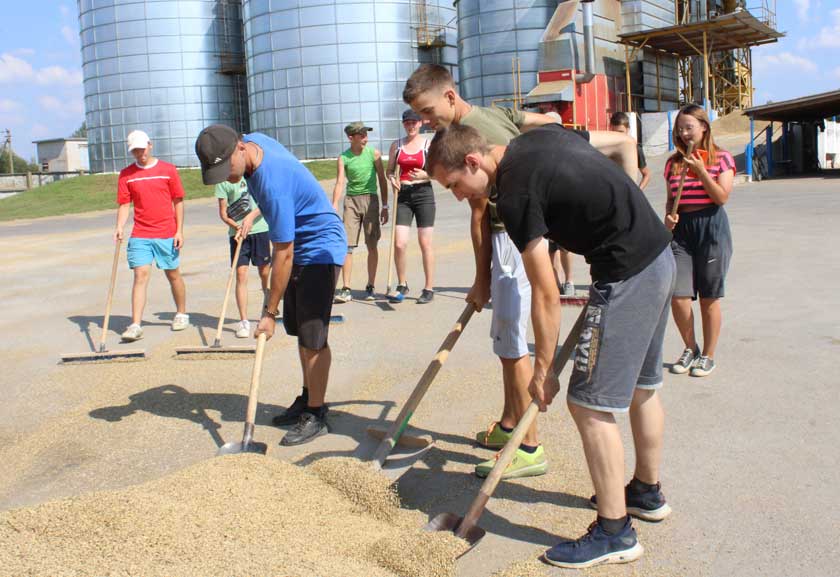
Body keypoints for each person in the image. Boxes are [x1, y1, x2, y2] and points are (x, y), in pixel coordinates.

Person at [426, 123, 675, 569]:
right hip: (658, 255)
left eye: (455, 185)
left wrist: (544, 370)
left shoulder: (514, 195)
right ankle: (644, 492)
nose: (459, 196)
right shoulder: (534, 139)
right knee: (642, 385)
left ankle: (615, 532)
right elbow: (607, 145)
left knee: (588, 404)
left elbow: (545, 293)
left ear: (473, 162)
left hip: (625, 272)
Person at [403, 63, 638, 479]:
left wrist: (481, 279)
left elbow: (478, 213)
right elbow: (546, 121)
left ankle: (528, 446)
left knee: (513, 348)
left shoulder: (473, 136)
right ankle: (511, 424)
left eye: (427, 110)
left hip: (511, 240)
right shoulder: (492, 115)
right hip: (519, 237)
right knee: (506, 345)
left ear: (450, 96)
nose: (425, 120)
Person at [195, 124, 347, 446]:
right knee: (302, 333)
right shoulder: (255, 143)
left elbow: (283, 253)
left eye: (227, 168)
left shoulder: (272, 182)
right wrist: (258, 210)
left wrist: (268, 311)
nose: (226, 176)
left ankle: (317, 414)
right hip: (298, 245)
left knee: (313, 336)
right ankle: (309, 397)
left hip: (319, 247)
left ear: (239, 147)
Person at [664, 104, 734, 377]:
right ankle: (690, 347)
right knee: (678, 295)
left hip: (712, 227)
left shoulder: (722, 158)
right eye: (679, 129)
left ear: (704, 127)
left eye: (689, 127)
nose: (683, 134)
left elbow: (722, 197)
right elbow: (671, 199)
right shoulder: (673, 162)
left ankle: (708, 355)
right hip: (681, 232)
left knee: (709, 297)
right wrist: (668, 218)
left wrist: (702, 171)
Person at [116, 130, 189, 341]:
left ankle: (181, 313)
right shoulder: (127, 175)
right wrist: (120, 226)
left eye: (142, 148)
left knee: (172, 274)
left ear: (150, 145)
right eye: (135, 150)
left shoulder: (168, 170)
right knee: (140, 276)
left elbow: (178, 201)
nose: (140, 153)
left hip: (166, 232)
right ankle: (136, 324)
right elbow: (124, 204)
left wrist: (179, 230)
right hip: (141, 233)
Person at [332, 122, 389, 303]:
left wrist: (385, 206)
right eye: (362, 134)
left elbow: (382, 179)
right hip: (351, 202)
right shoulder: (344, 157)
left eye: (366, 134)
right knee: (347, 246)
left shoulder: (374, 154)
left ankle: (370, 286)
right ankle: (346, 288)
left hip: (371, 200)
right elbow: (340, 182)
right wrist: (334, 204)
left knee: (372, 244)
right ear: (351, 137)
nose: (366, 137)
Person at [385, 109, 436, 304]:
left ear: (420, 123)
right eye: (407, 122)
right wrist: (392, 179)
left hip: (424, 194)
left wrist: (426, 175)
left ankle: (429, 288)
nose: (411, 125)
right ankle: (402, 283)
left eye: (414, 122)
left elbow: (438, 171)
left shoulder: (427, 145)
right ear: (403, 124)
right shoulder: (396, 146)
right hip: (403, 195)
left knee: (425, 243)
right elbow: (390, 170)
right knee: (399, 243)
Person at [215, 176, 271, 338]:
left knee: (265, 272)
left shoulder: (253, 176)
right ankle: (244, 320)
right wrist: (237, 226)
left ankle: (269, 306)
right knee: (240, 274)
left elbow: (265, 201)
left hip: (260, 230)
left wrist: (250, 218)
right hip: (238, 234)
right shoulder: (223, 182)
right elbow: (224, 214)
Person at [609, 111, 651, 190]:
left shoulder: (635, 149)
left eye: (621, 132)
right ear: (610, 128)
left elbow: (646, 174)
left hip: (627, 195)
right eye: (614, 132)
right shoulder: (606, 148)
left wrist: (638, 192)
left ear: (627, 130)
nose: (618, 136)